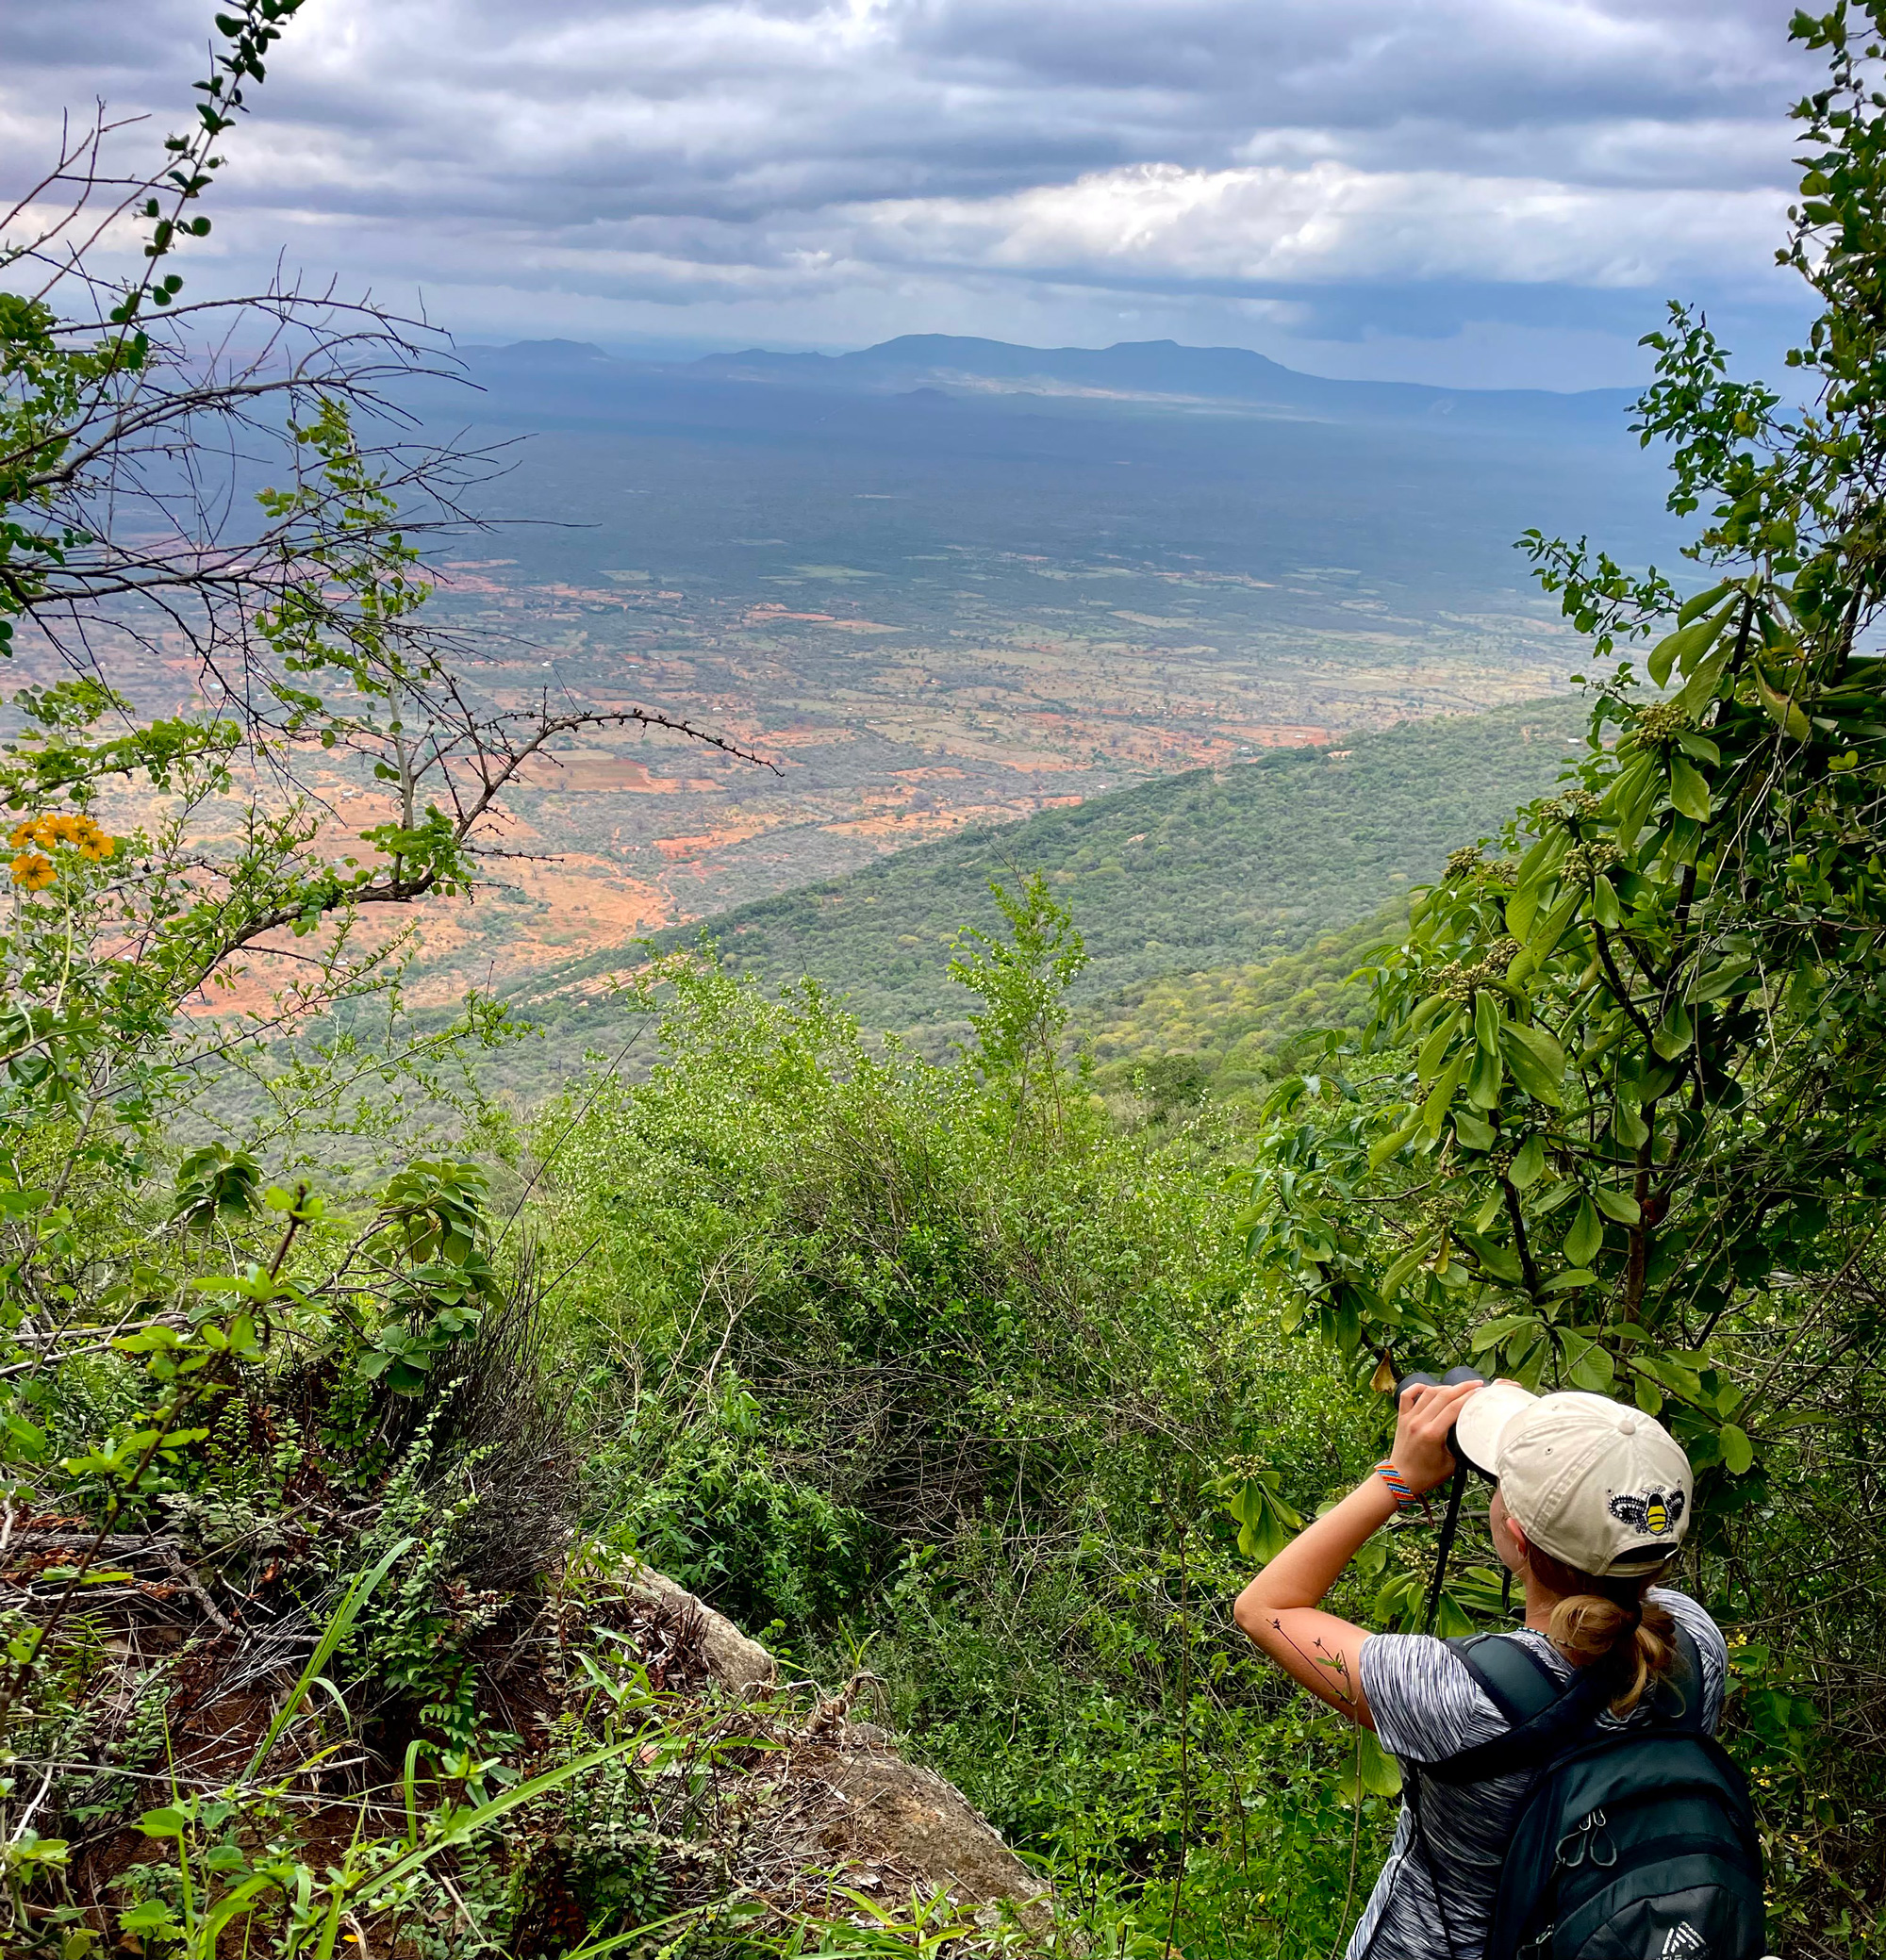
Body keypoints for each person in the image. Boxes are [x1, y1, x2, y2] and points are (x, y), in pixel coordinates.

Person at [1233, 1377, 1728, 1960]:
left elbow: (1265, 1608)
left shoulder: (1456, 1693)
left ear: (1515, 1536)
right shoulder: (1694, 1643)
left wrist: (1398, 1477)